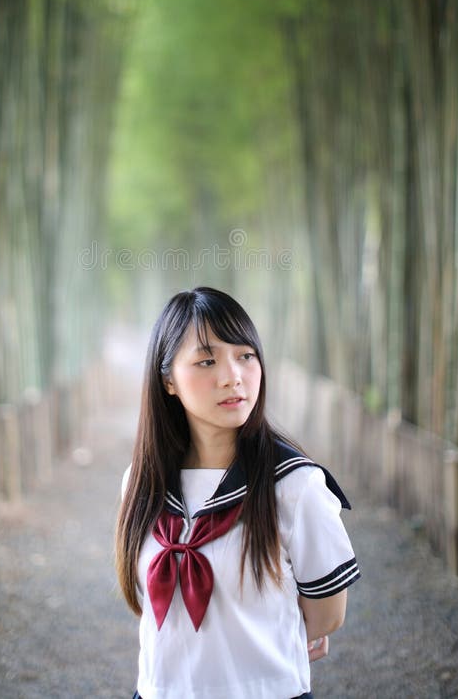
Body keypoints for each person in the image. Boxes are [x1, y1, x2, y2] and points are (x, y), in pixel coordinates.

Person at [115, 286, 360, 699]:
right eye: (207, 360)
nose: (233, 376)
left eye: (246, 355)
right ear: (168, 380)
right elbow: (148, 605)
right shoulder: (141, 483)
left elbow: (327, 614)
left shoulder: (294, 486)